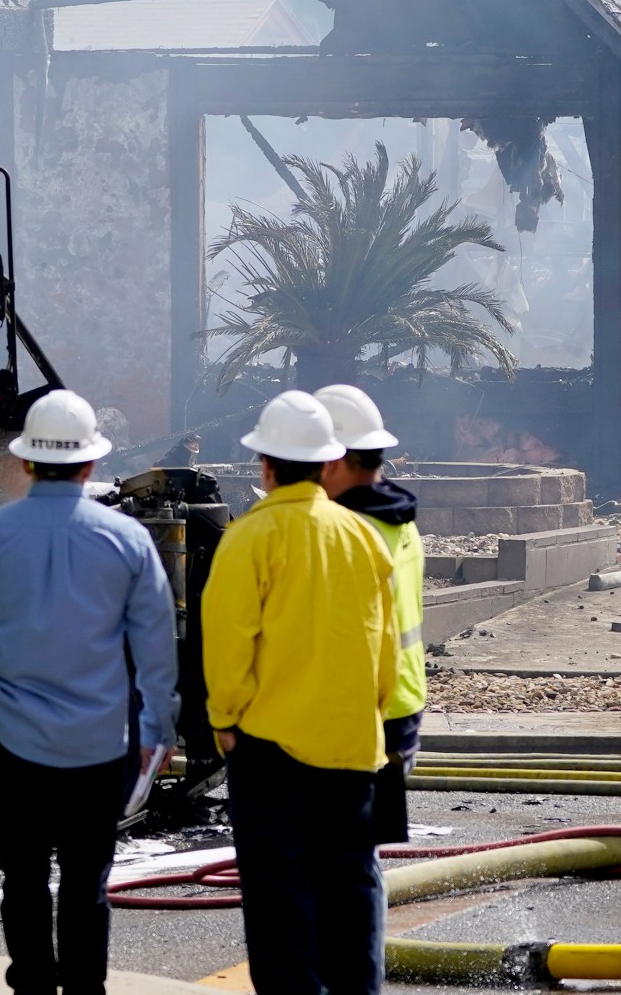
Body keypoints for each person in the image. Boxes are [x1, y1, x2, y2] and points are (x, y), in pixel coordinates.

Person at [0, 390, 178, 995]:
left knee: (22, 877)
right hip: (97, 746)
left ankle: (34, 986)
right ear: (90, 463)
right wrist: (157, 730)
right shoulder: (127, 540)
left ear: (24, 463)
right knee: (86, 882)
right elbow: (155, 648)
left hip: (12, 744)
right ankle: (85, 989)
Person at [201, 391, 400, 995]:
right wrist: (372, 716)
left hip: (270, 750)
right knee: (351, 892)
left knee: (280, 901)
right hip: (351, 747)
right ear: (325, 463)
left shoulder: (249, 538)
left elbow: (228, 643)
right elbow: (386, 650)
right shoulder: (364, 537)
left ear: (265, 464)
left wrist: (224, 720)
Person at [311, 384, 425, 845]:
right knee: (365, 858)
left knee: (341, 858)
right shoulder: (400, 518)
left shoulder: (346, 530)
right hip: (402, 701)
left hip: (359, 710)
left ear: (334, 461)